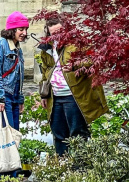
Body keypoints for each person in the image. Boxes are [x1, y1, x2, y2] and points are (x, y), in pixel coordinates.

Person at [38, 16, 108, 155]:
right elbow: (45, 71)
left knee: (78, 132)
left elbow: (94, 60)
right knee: (58, 134)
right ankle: (64, 168)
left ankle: (80, 167)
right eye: (53, 33)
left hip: (74, 96)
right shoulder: (46, 49)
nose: (57, 36)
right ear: (48, 33)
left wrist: (75, 65)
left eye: (60, 31)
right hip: (55, 97)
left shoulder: (78, 44)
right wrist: (43, 94)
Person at [0, 12, 28, 140]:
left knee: (14, 136)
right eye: (21, 29)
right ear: (12, 30)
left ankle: (12, 161)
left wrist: (20, 99)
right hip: (3, 96)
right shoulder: (0, 45)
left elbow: (19, 76)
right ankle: (2, 160)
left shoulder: (17, 47)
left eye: (26, 29)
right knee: (4, 137)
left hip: (15, 97)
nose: (25, 33)